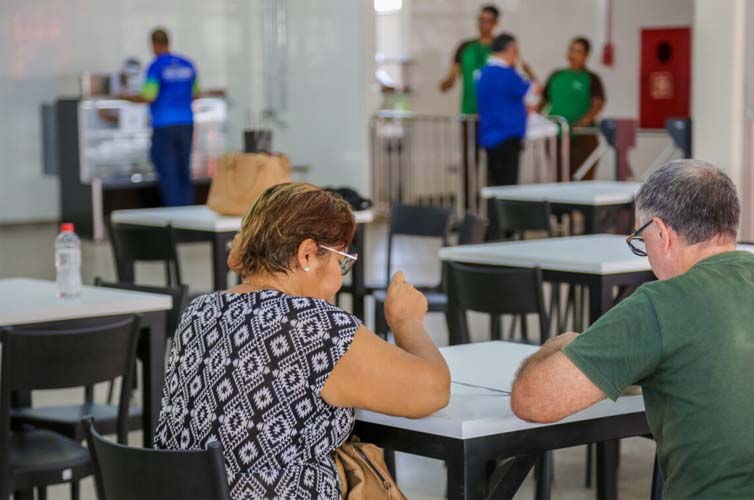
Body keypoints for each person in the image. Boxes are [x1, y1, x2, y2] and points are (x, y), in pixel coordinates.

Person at [511, 159, 754, 499]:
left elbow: (532, 401)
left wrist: (562, 343)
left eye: (641, 240)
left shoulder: (661, 303)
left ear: (661, 233)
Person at [154, 183, 451, 500]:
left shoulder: (199, 311)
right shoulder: (314, 326)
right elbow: (433, 391)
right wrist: (406, 321)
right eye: (341, 262)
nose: (339, 278)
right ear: (307, 254)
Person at [122, 28, 199, 206]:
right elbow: (196, 94)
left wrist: (124, 96)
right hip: (186, 124)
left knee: (168, 173)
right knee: (183, 171)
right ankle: (188, 213)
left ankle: (174, 216)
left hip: (164, 126)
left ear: (154, 45)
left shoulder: (156, 66)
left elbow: (149, 96)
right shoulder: (187, 64)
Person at [476, 33, 540, 187]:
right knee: (507, 185)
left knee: (494, 183)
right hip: (507, 136)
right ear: (510, 50)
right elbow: (534, 93)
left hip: (489, 136)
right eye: (516, 52)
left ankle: (492, 211)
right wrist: (531, 73)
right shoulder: (507, 75)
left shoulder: (483, 73)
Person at [539, 37, 605, 180]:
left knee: (582, 177)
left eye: (578, 51)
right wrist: (536, 120)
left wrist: (585, 120)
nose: (573, 54)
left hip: (581, 136)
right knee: (560, 176)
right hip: (557, 136)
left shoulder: (591, 78)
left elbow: (598, 103)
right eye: (571, 50)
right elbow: (543, 101)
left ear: (586, 55)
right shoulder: (556, 75)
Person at [439, 4, 498, 115]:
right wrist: (446, 83)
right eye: (481, 20)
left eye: (487, 21)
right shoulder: (465, 47)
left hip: (494, 113)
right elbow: (452, 76)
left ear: (495, 23)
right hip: (469, 111)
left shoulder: (500, 48)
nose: (483, 24)